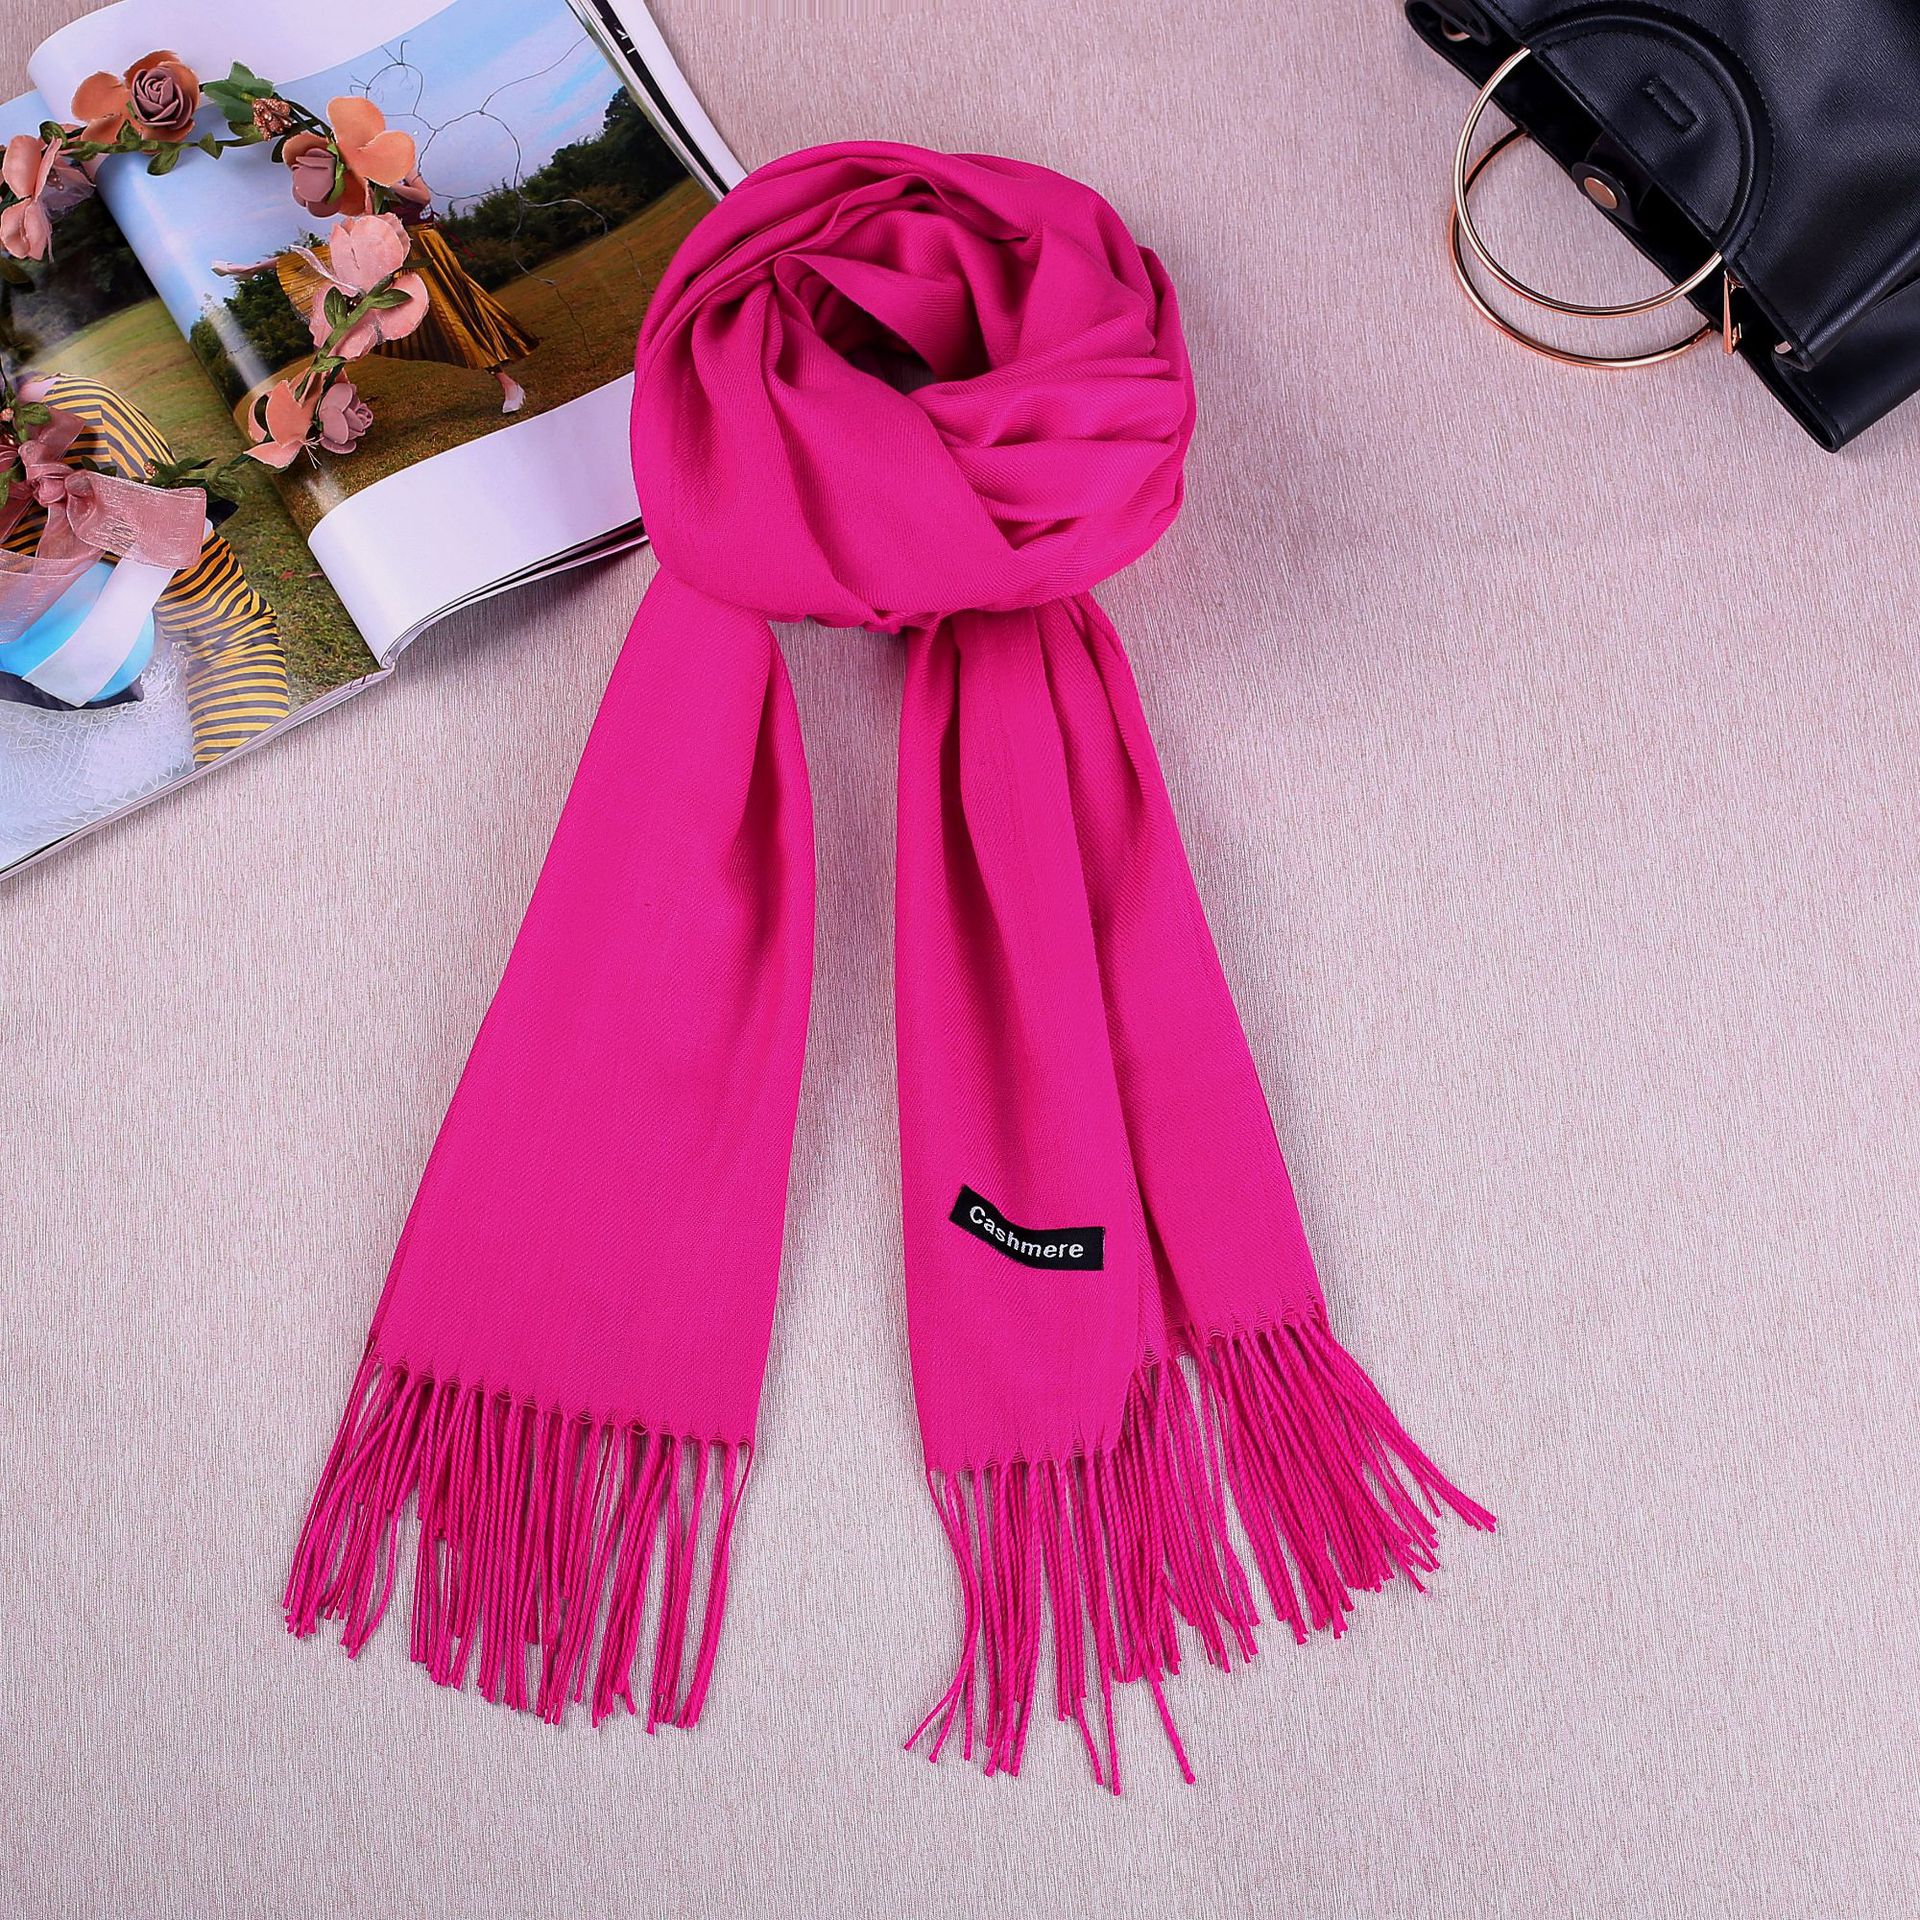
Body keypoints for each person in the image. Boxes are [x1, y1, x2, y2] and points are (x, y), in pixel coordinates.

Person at [216, 173, 538, 415]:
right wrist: (366, 197)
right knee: (330, 264)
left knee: (454, 317)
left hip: (425, 248)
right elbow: (368, 223)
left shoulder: (400, 167)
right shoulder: (364, 184)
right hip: (394, 251)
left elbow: (423, 197)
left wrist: (387, 183)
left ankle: (508, 384)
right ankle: (253, 268)